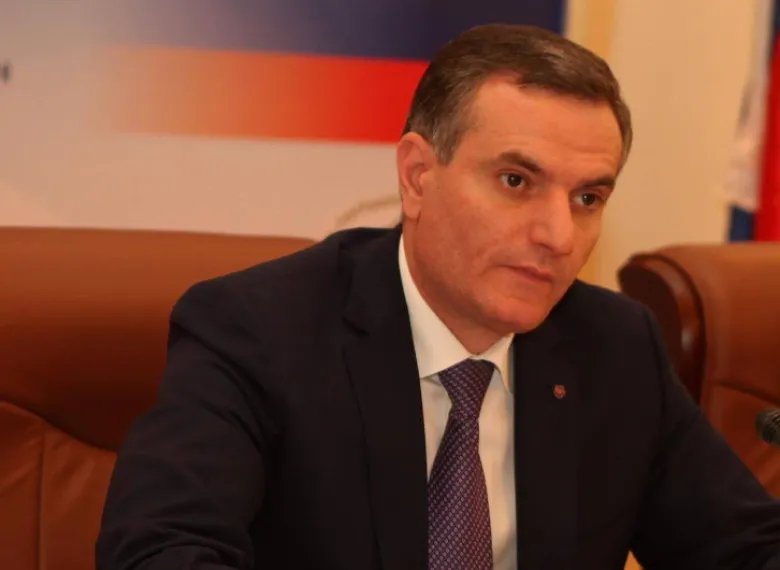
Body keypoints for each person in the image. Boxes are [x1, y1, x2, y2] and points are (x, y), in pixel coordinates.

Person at [96, 24, 780, 570]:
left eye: (587, 197)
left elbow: (745, 549)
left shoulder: (615, 348)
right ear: (418, 176)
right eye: (516, 181)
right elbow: (161, 550)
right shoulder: (259, 332)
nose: (558, 235)